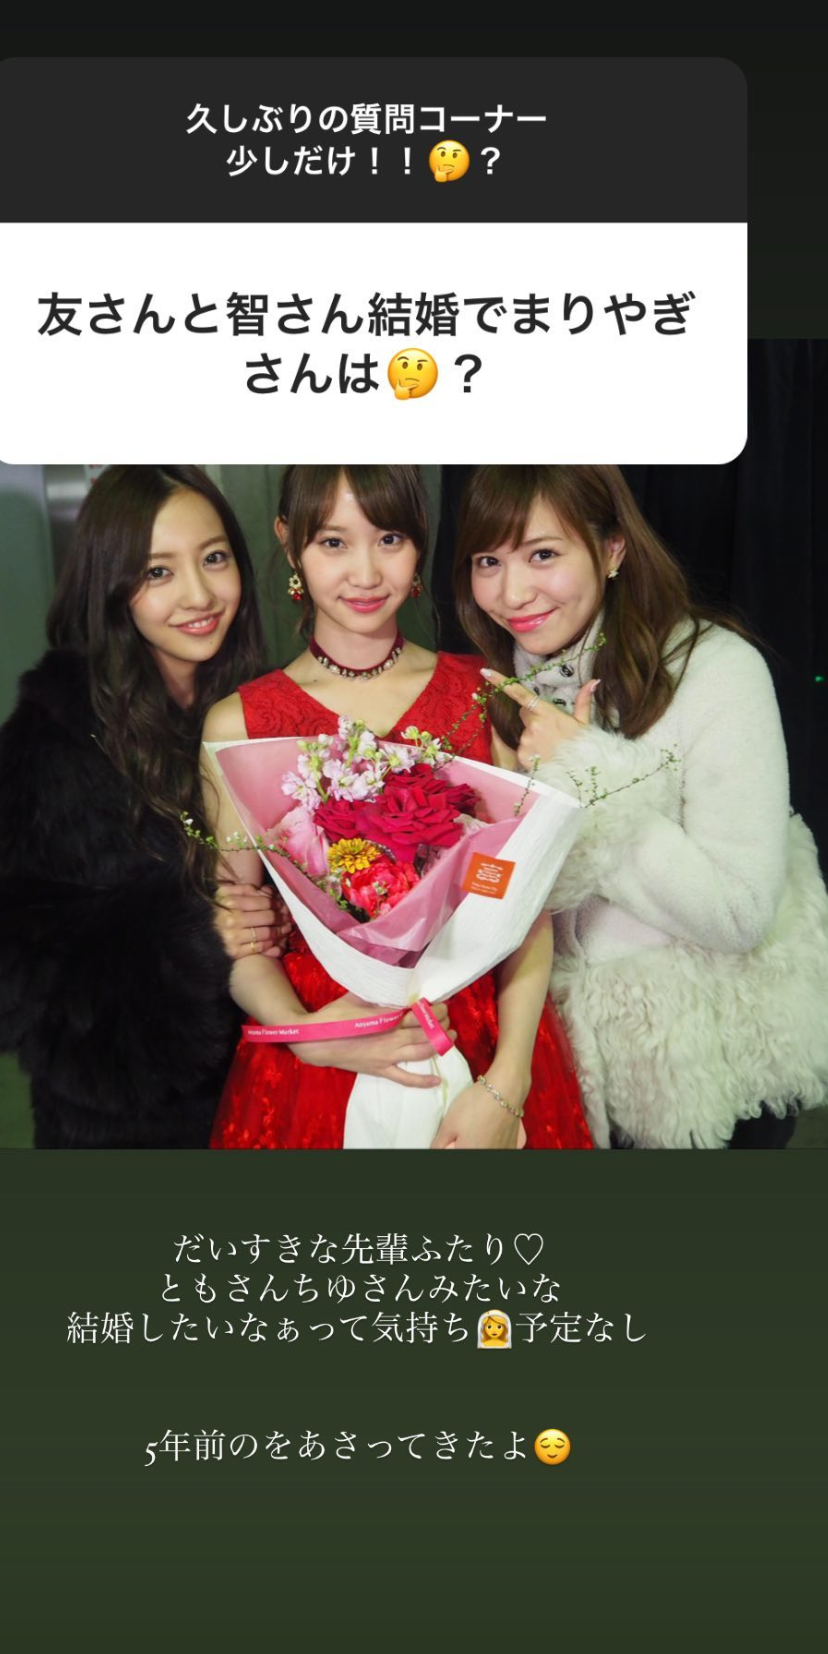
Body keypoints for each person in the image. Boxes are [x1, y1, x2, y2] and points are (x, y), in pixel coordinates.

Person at [454, 464, 828, 1149]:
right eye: (488, 561)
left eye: (543, 555)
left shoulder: (715, 669)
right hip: (556, 1069)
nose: (511, 592)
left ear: (612, 549)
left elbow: (739, 913)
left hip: (704, 1069)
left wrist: (591, 776)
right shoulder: (488, 684)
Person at [202, 465, 592, 1151]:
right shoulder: (240, 724)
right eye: (333, 543)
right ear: (289, 543)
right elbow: (240, 931)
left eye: (389, 539)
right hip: (327, 1035)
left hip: (480, 1031)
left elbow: (523, 904)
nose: (365, 573)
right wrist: (305, 1034)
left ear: (419, 543)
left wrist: (509, 1080)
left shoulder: (481, 691)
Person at [0, 465, 287, 1148]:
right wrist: (193, 937)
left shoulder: (266, 708)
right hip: (140, 1125)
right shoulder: (55, 742)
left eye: (214, 558)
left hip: (275, 1086)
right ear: (110, 586)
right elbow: (9, 976)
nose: (199, 594)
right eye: (157, 572)